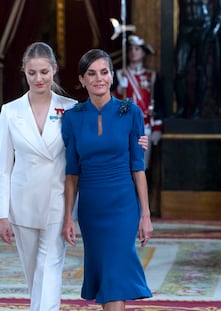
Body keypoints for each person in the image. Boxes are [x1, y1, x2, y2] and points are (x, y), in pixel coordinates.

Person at [61, 49, 152, 311]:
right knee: (104, 272)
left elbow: (138, 167)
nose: (98, 78)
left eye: (104, 72)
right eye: (92, 73)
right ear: (82, 79)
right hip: (91, 208)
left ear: (112, 76)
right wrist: (69, 216)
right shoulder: (72, 117)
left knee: (114, 274)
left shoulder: (130, 112)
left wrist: (145, 214)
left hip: (123, 206)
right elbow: (71, 172)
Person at [0, 42, 77, 311]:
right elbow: (4, 167)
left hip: (57, 199)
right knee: (35, 275)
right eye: (32, 73)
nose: (38, 79)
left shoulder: (72, 109)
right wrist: (2, 214)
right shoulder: (9, 112)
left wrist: (134, 141)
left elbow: (92, 146)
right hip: (22, 204)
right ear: (24, 72)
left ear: (54, 70)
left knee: (51, 270)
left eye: (44, 72)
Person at [174, 0, 221, 118]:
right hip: (186, 28)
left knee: (201, 70)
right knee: (179, 70)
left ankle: (197, 109)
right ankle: (181, 108)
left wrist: (214, 29)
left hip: (203, 27)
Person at [113, 34, 163, 169]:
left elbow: (158, 102)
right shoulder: (119, 74)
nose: (133, 52)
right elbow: (111, 103)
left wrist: (157, 127)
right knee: (124, 164)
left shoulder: (151, 76)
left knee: (142, 165)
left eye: (137, 49)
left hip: (145, 125)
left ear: (143, 53)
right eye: (131, 49)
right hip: (123, 125)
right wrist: (119, 88)